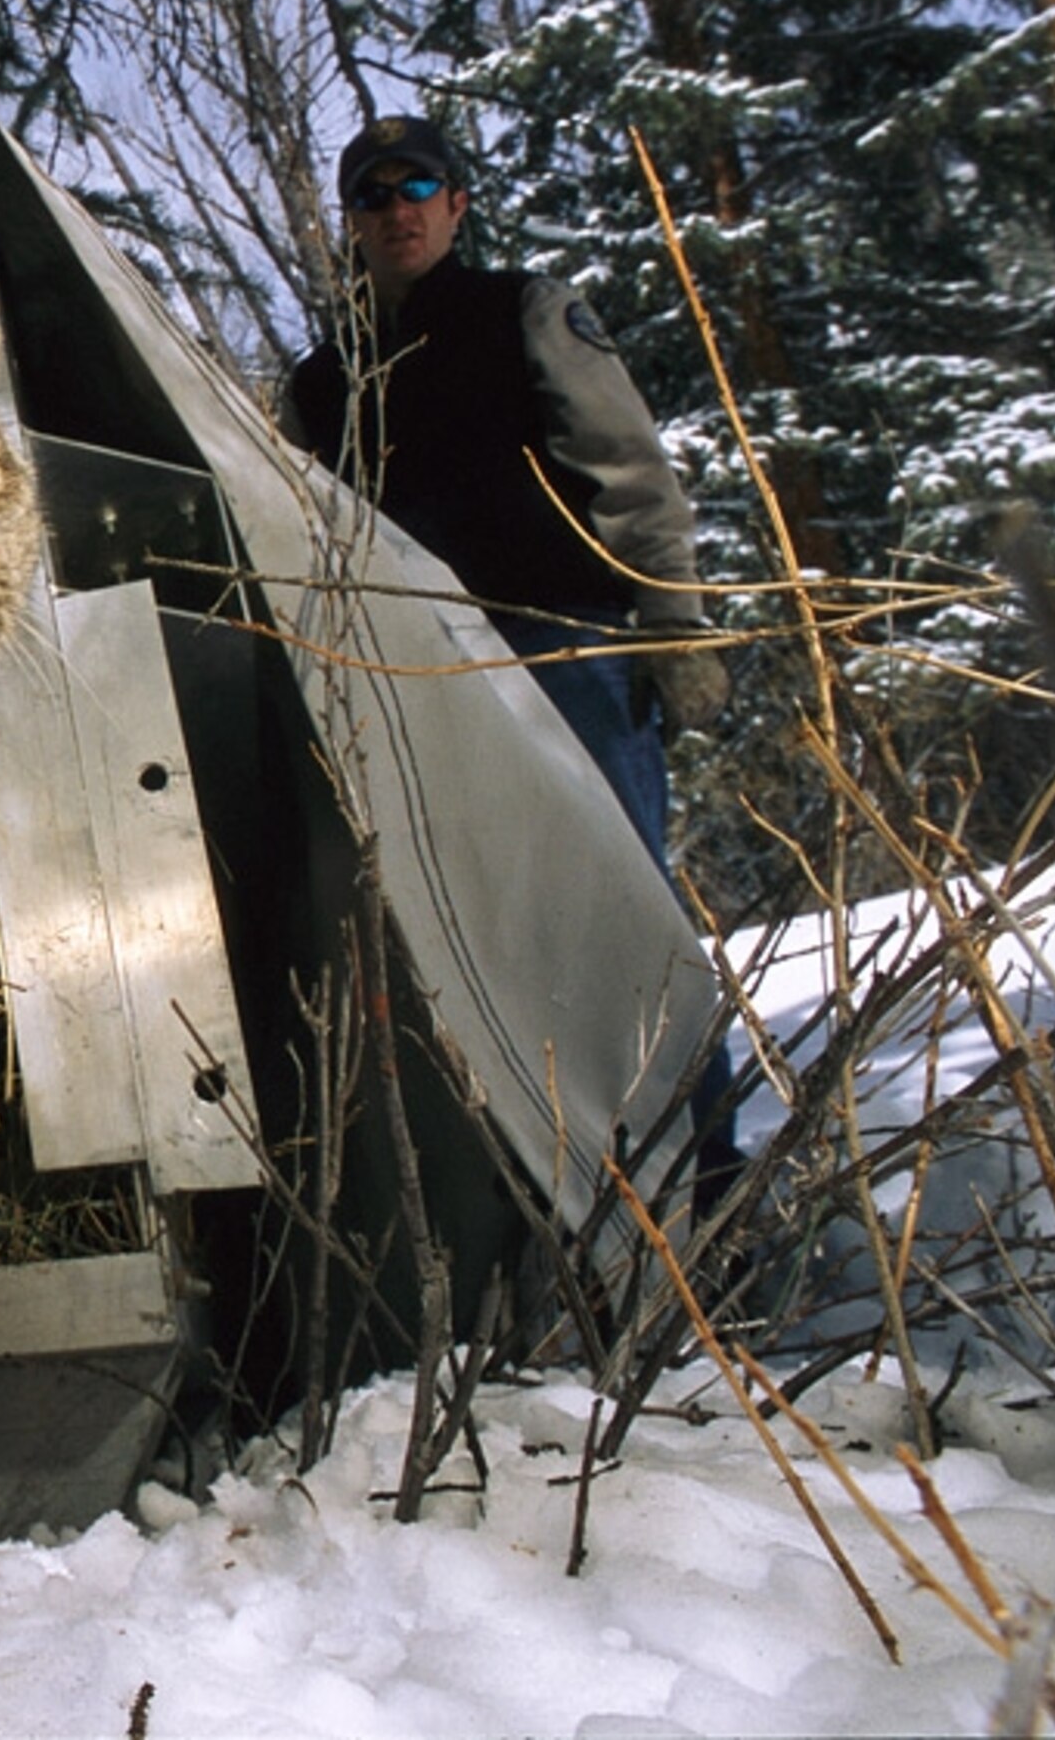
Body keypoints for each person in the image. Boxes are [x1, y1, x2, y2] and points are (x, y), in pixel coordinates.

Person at [279, 112, 738, 1180]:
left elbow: (632, 474)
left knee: (629, 917)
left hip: (563, 651)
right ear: (351, 222)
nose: (397, 210)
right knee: (492, 938)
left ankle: (707, 1191)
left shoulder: (523, 312)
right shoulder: (319, 384)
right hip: (423, 687)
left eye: (417, 188)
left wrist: (677, 627)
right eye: (373, 195)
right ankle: (575, 1208)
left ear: (456, 203)